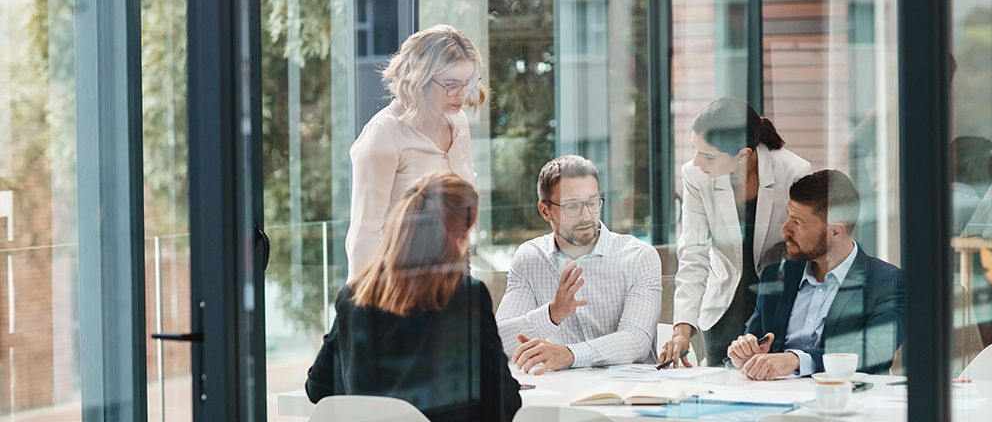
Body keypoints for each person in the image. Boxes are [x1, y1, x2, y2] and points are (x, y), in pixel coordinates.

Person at [306, 171, 521, 422]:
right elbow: (503, 402)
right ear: (458, 236)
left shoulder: (354, 296)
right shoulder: (465, 296)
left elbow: (317, 388)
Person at [661, 97, 811, 367]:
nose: (696, 162)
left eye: (707, 155)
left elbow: (802, 248)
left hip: (776, 306)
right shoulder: (695, 176)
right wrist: (682, 330)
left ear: (743, 155)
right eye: (695, 150)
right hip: (724, 309)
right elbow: (693, 254)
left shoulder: (793, 171)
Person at [727, 170, 904, 380]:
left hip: (845, 402)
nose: (785, 229)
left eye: (797, 222)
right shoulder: (775, 275)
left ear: (835, 232)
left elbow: (872, 352)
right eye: (788, 218)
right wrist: (743, 354)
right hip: (775, 398)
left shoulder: (889, 282)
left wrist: (797, 360)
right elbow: (755, 340)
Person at [346, 24, 487, 281]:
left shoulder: (458, 123)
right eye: (451, 84)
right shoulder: (384, 134)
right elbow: (364, 233)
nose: (462, 94)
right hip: (402, 283)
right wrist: (362, 312)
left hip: (453, 275)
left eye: (468, 83)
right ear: (419, 78)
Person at [495, 155, 661, 373]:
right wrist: (552, 314)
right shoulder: (530, 259)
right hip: (563, 393)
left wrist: (570, 354)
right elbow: (500, 341)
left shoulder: (639, 257)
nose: (586, 216)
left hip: (630, 394)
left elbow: (637, 341)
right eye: (572, 206)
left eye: (592, 203)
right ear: (545, 210)